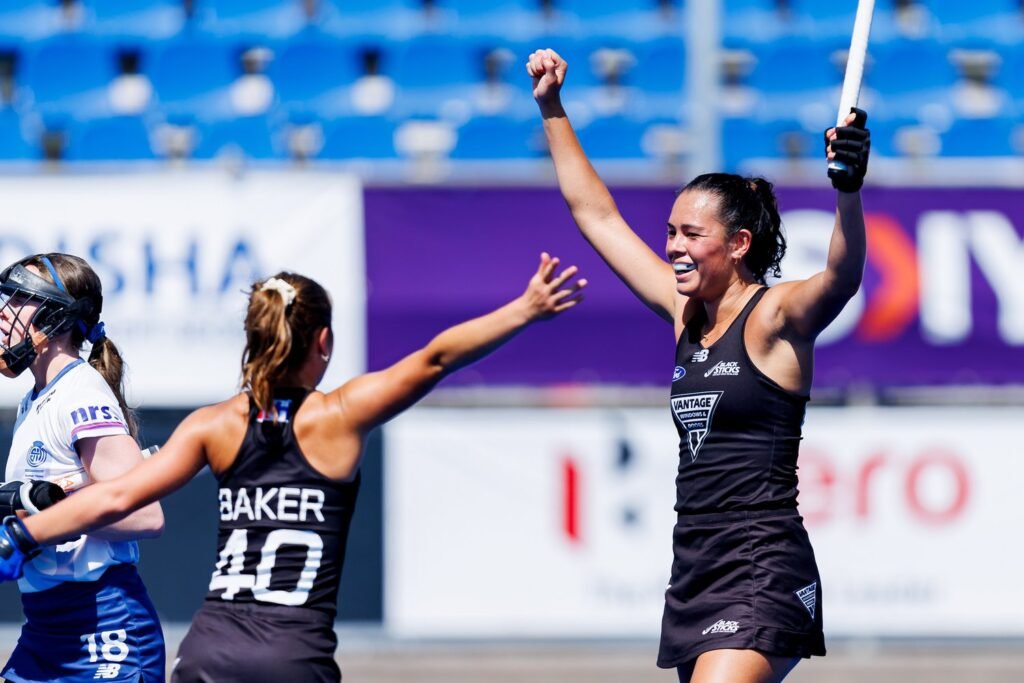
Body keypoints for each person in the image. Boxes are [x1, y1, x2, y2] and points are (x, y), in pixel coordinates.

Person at [0, 253, 587, 682]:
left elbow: (116, 500)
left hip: (207, 652)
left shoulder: (215, 424)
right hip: (292, 655)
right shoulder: (338, 416)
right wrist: (524, 309)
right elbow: (434, 359)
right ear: (323, 342)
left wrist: (24, 531)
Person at [524, 49, 871, 683]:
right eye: (671, 232)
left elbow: (842, 277)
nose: (672, 248)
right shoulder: (683, 311)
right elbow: (595, 214)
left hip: (763, 563)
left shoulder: (774, 317)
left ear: (739, 245)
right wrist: (551, 105)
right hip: (694, 566)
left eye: (691, 235)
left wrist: (847, 193)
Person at [0, 253, 166, 682]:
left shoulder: (79, 392)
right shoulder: (35, 398)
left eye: (18, 299)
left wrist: (42, 518)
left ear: (55, 316)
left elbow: (145, 514)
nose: (4, 313)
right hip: (45, 631)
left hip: (105, 630)